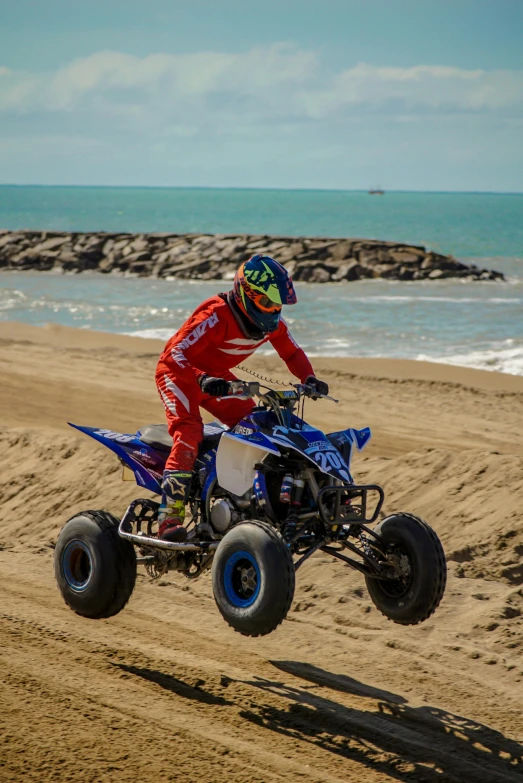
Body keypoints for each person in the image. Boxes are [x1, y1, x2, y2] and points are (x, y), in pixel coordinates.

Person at [155, 254, 329, 542]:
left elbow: (292, 353)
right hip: (179, 375)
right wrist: (201, 378)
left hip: (217, 379)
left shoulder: (271, 325)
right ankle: (169, 518)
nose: (273, 311)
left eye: (277, 305)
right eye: (266, 304)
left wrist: (309, 379)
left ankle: (244, 501)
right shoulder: (216, 314)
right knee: (188, 433)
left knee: (255, 426)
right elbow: (175, 354)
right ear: (245, 294)